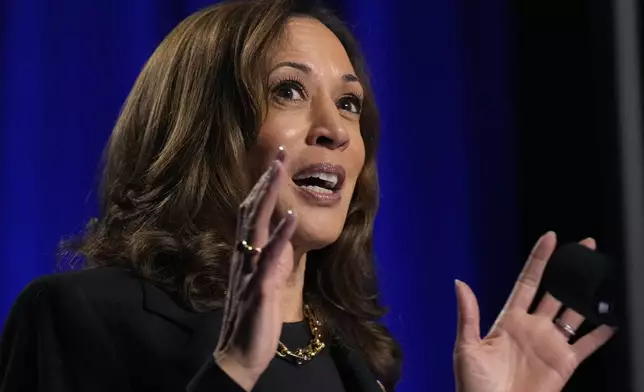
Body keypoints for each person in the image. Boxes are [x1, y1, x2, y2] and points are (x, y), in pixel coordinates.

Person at [0, 0, 616, 391]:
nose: (337, 129)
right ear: (202, 126)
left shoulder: (354, 363)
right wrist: (234, 368)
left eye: (349, 103)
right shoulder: (78, 315)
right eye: (289, 92)